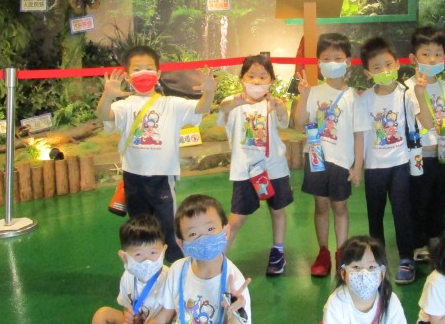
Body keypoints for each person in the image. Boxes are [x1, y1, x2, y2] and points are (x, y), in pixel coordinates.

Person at [132, 193, 259, 324]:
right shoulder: (177, 270)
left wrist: (237, 312)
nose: (203, 239)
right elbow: (164, 315)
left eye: (210, 229)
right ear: (181, 243)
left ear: (226, 231)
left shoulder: (234, 279)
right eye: (193, 234)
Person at [98, 45, 215, 261]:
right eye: (137, 69)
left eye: (149, 68)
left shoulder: (171, 104)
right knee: (140, 229)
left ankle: (176, 268)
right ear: (128, 76)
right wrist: (107, 96)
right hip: (133, 178)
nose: (143, 73)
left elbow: (201, 108)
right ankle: (143, 267)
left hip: (162, 178)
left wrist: (209, 92)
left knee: (169, 228)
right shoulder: (125, 106)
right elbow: (105, 115)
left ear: (158, 74)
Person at [217, 54, 293, 275]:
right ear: (242, 78)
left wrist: (280, 107)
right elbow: (223, 108)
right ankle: (218, 257)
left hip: (274, 168)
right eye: (251, 76)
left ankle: (278, 252)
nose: (257, 81)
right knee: (236, 218)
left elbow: (284, 121)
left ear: (271, 80)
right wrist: (236, 102)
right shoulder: (233, 103)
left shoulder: (274, 103)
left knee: (277, 210)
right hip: (245, 170)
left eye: (263, 76)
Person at [351, 37, 416, 283]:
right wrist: (358, 167)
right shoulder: (364, 99)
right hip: (374, 167)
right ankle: (376, 259)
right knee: (375, 215)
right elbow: (360, 135)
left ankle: (406, 258)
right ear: (368, 73)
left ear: (397, 64)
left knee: (402, 213)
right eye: (377, 67)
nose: (384, 70)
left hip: (401, 164)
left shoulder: (406, 94)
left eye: (388, 64)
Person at [293, 32, 357, 277]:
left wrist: (357, 165)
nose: (332, 63)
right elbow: (299, 123)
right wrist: (303, 97)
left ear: (348, 61)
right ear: (319, 62)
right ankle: (323, 252)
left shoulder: (353, 96)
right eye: (326, 58)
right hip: (316, 158)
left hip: (341, 160)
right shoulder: (313, 92)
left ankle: (342, 252)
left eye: (337, 58)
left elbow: (359, 134)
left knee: (340, 206)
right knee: (320, 206)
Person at [406, 26, 445, 264]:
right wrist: (420, 93)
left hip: (443, 154)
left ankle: (436, 237)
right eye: (426, 54)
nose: (432, 59)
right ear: (413, 58)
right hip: (421, 155)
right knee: (419, 200)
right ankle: (418, 242)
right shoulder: (408, 88)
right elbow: (422, 122)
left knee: (440, 198)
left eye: (438, 54)